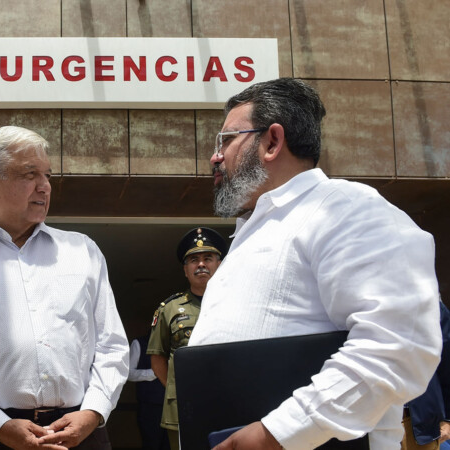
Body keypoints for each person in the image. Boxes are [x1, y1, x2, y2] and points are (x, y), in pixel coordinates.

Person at [187, 77, 442, 449]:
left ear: (272, 142)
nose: (215, 156)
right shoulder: (253, 231)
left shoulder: (346, 208)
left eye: (226, 140)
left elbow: (399, 344)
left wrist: (277, 433)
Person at [0, 125, 130, 450]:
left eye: (48, 175)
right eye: (30, 174)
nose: (45, 187)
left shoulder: (82, 251)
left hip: (83, 434)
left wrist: (93, 411)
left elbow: (112, 347)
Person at [146, 227, 227, 450]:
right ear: (185, 269)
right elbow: (157, 360)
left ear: (219, 265)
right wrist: (178, 390)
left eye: (208, 258)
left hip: (229, 401)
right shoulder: (169, 309)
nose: (201, 264)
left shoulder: (236, 304)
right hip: (184, 408)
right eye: (194, 260)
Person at [402, 301, 450, 450]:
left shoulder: (429, 304)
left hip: (417, 421)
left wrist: (447, 418)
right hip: (372, 417)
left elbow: (447, 363)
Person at [128, 332, 169, 450]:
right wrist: (152, 373)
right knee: (152, 444)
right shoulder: (139, 343)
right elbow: (128, 373)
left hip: (171, 407)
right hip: (149, 407)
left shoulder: (172, 345)